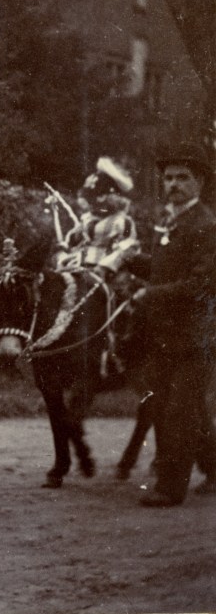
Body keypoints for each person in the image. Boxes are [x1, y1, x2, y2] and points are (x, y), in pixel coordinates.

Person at [125, 142, 216, 507]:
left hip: (196, 336)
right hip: (163, 334)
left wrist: (150, 295)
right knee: (176, 406)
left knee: (177, 410)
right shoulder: (170, 221)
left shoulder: (206, 226)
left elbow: (201, 285)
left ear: (201, 183)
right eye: (168, 178)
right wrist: (133, 261)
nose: (174, 184)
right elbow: (163, 270)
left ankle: (170, 487)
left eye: (183, 178)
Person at [56, 156, 137, 274]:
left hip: (108, 271)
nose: (91, 204)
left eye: (93, 199)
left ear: (106, 198)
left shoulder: (122, 221)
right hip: (80, 264)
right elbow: (74, 236)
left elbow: (128, 247)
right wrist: (63, 248)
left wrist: (104, 267)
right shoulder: (89, 218)